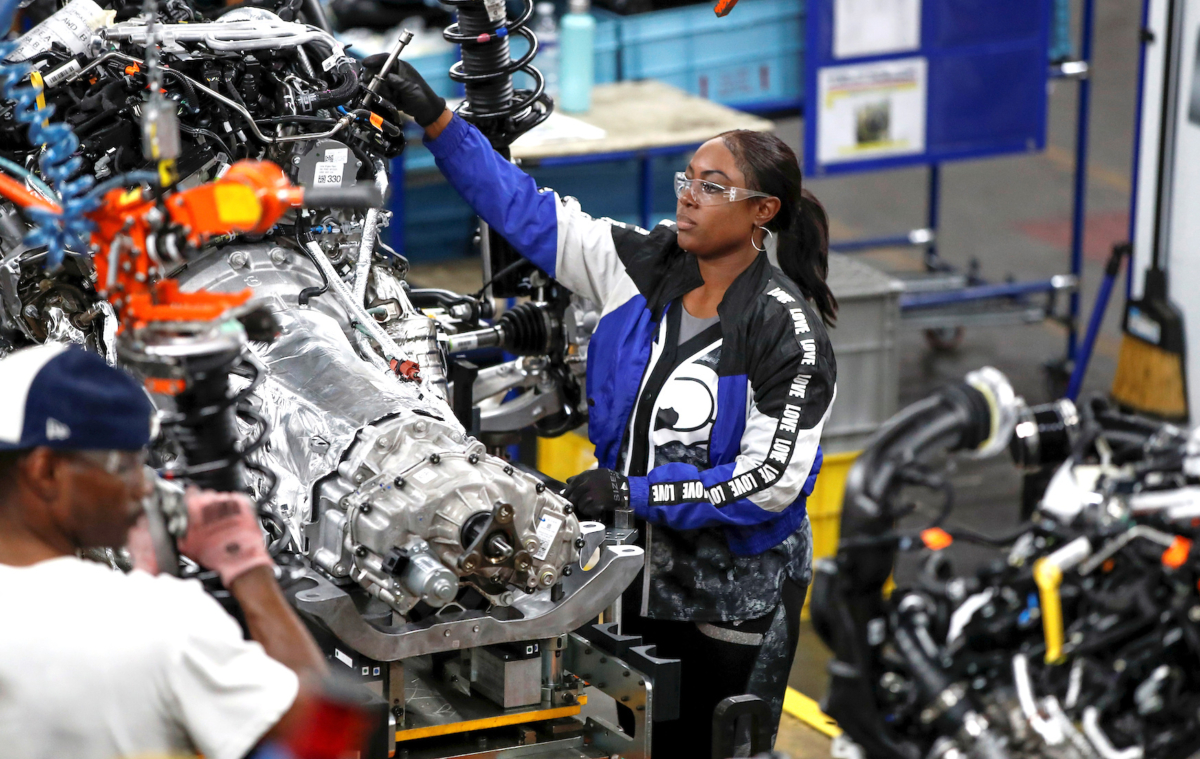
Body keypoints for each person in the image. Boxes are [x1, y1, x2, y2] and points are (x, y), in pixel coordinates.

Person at [367, 59, 838, 756]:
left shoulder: (783, 331)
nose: (688, 199)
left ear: (761, 212)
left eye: (713, 188)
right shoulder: (639, 264)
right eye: (688, 182)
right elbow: (523, 209)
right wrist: (438, 119)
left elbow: (768, 483)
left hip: (728, 603)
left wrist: (634, 491)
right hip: (630, 577)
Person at [0, 343, 328, 759]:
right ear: (46, 471)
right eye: (125, 465)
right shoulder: (159, 622)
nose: (142, 485)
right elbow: (321, 733)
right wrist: (248, 570)